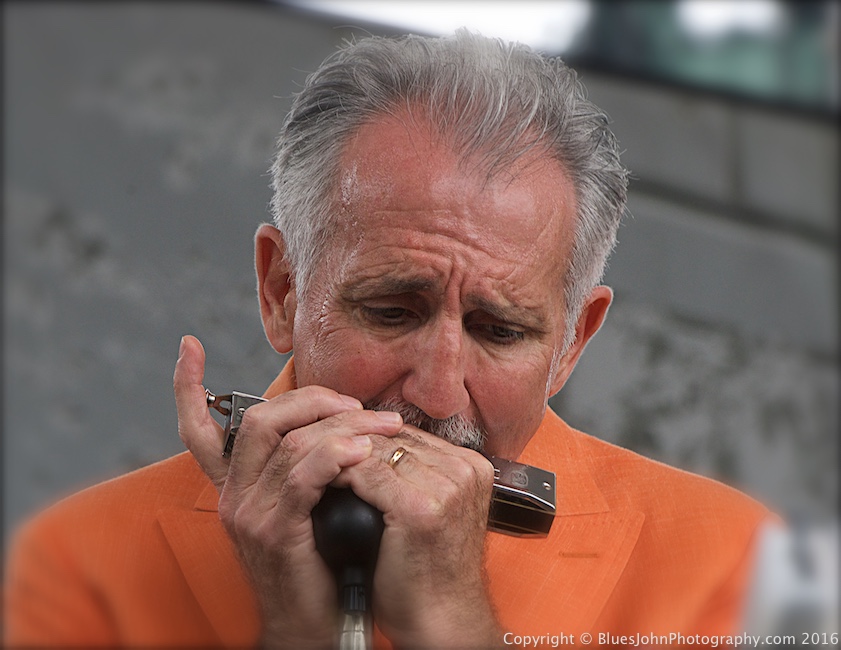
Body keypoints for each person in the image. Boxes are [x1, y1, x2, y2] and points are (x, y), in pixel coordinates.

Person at [4, 30, 769, 649]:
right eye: (391, 312)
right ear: (282, 291)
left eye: (499, 331)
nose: (435, 394)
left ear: (571, 342)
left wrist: (454, 630)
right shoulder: (76, 565)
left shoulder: (728, 564)